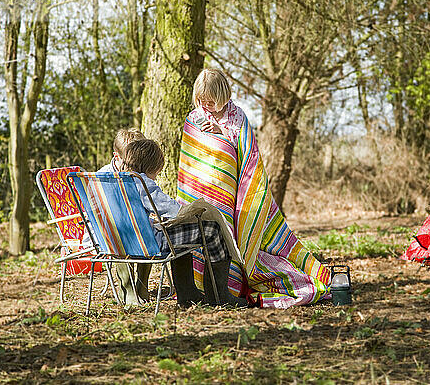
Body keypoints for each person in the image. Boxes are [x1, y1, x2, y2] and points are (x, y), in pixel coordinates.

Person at [178, 69, 331, 308]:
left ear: (223, 95)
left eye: (211, 100)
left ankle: (227, 289)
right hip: (200, 189)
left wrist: (222, 137)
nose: (207, 104)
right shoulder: (193, 117)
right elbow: (191, 156)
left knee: (227, 236)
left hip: (230, 191)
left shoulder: (237, 117)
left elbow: (249, 157)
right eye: (202, 99)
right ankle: (200, 290)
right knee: (201, 233)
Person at [121, 138, 248, 308]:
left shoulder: (116, 182)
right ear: (152, 166)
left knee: (180, 236)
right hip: (151, 243)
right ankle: (219, 295)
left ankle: (188, 293)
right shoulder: (142, 182)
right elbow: (172, 210)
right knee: (212, 230)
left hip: (123, 244)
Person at [95, 128, 149, 305]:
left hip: (137, 230)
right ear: (116, 156)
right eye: (131, 160)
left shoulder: (140, 175)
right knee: (119, 231)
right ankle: (127, 288)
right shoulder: (102, 177)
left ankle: (142, 284)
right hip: (109, 233)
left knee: (147, 228)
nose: (135, 164)